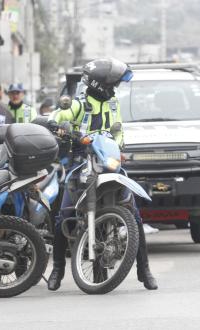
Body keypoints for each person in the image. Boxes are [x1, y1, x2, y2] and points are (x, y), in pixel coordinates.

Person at [47, 58, 158, 291]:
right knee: (63, 214)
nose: (115, 88)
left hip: (109, 162)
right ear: (100, 85)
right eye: (113, 84)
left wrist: (119, 146)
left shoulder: (114, 104)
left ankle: (144, 270)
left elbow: (119, 132)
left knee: (134, 216)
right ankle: (57, 268)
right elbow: (56, 118)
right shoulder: (78, 104)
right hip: (82, 163)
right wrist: (63, 128)